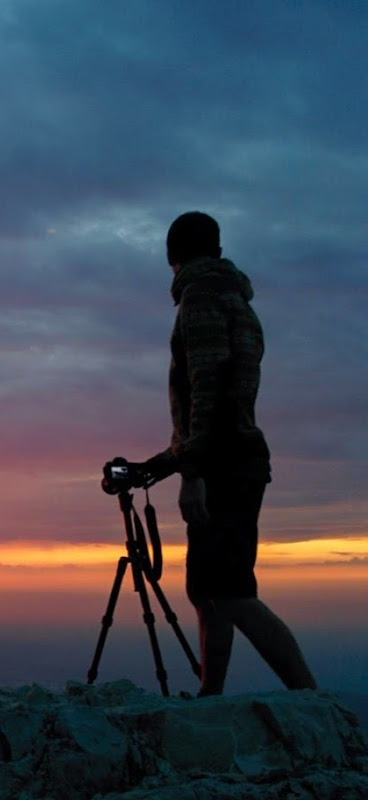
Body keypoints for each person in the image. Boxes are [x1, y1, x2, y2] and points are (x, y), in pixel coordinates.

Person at [145, 211, 316, 696]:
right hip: (235, 457)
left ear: (172, 258)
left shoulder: (199, 297)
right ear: (217, 251)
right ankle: (210, 697)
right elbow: (226, 402)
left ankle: (315, 705)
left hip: (222, 464)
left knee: (233, 592)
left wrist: (192, 471)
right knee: (209, 590)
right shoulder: (236, 299)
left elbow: (209, 386)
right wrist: (163, 463)